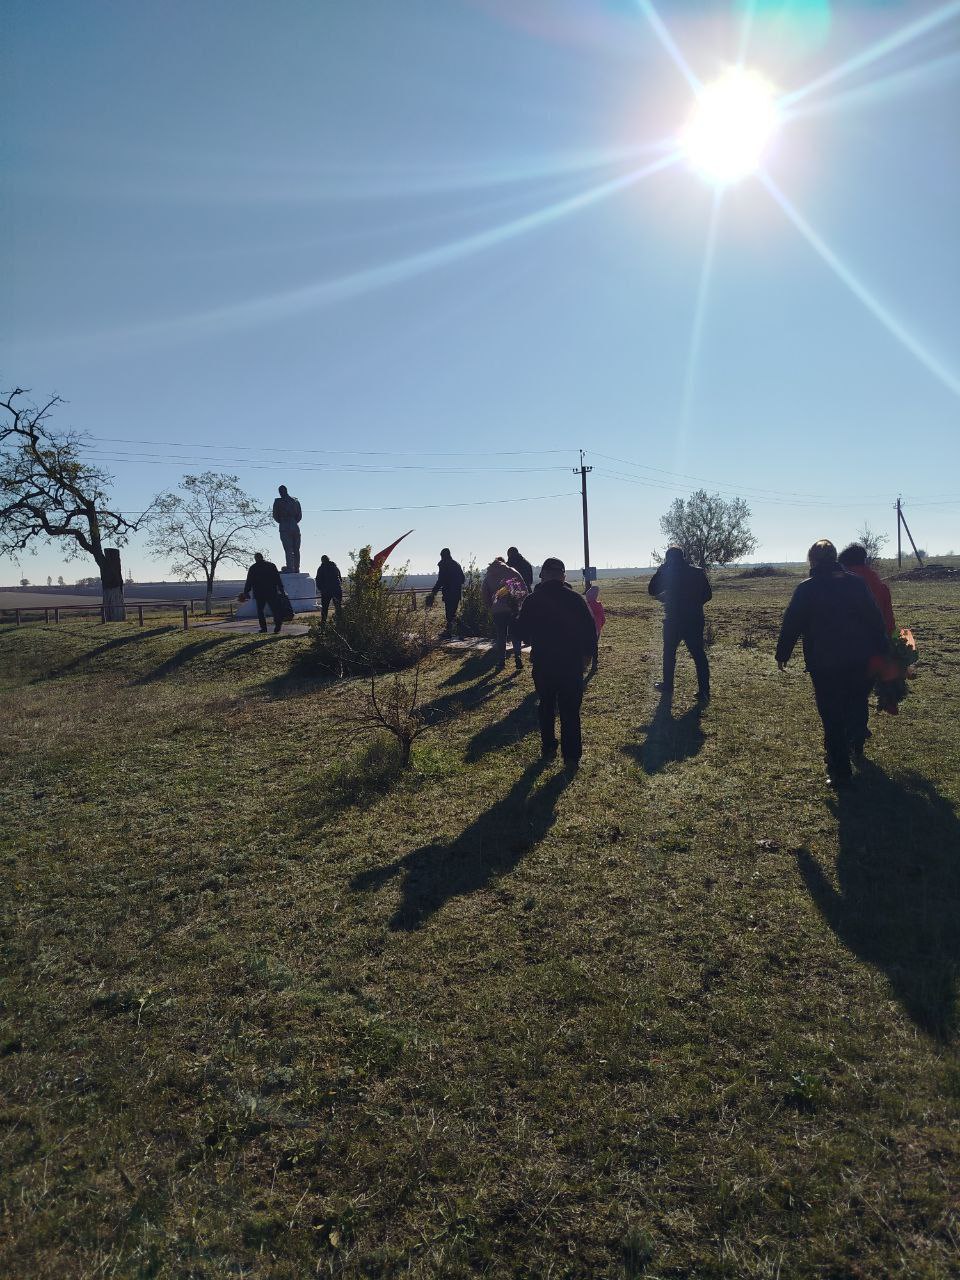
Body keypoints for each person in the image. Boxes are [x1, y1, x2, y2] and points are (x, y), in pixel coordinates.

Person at [775, 539, 890, 788]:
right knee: (855, 703)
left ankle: (840, 770)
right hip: (858, 658)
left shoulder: (807, 588)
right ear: (835, 558)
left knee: (831, 716)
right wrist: (883, 648)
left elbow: (791, 623)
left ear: (812, 560)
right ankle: (855, 743)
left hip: (824, 662)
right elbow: (874, 619)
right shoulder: (857, 584)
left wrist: (782, 653)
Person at [515, 558, 597, 769]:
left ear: (542, 576)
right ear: (563, 576)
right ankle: (571, 756)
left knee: (546, 706)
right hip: (571, 664)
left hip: (543, 663)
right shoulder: (576, 599)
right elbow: (590, 632)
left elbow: (521, 634)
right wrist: (587, 658)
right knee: (570, 710)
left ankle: (549, 747)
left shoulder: (532, 600)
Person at [648, 546, 712, 703]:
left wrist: (660, 571)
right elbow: (708, 595)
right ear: (683, 556)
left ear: (668, 558)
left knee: (669, 653)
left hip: (673, 619)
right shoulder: (697, 572)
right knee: (698, 655)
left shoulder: (668, 574)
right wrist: (694, 605)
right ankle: (704, 690)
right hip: (694, 619)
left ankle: (668, 685)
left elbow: (652, 590)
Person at [482, 557, 528, 671]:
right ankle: (518, 658)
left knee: (501, 635)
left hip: (497, 610)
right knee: (515, 634)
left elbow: (484, 593)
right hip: (512, 609)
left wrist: (491, 607)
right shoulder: (511, 571)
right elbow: (523, 589)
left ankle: (501, 661)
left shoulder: (489, 575)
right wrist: (518, 602)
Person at [837, 543, 895, 634]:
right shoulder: (880, 586)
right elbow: (889, 622)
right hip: (878, 641)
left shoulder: (842, 586)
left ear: (845, 565)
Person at [242, 552, 284, 634]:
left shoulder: (253, 568)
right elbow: (277, 578)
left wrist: (246, 591)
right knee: (275, 610)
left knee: (260, 611)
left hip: (259, 593)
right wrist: (281, 589)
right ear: (262, 557)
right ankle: (278, 626)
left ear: (256, 558)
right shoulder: (271, 565)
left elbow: (249, 581)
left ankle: (263, 628)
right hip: (271, 592)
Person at [429, 548, 465, 639]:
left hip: (449, 593)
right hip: (456, 593)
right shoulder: (456, 564)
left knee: (450, 615)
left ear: (442, 555)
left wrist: (433, 592)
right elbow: (463, 579)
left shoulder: (444, 564)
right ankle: (460, 630)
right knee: (452, 614)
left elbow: (441, 580)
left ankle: (458, 630)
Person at [272, 484, 302, 574]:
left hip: (285, 526)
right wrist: (293, 521)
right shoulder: (295, 501)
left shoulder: (278, 502)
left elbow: (275, 516)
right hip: (294, 526)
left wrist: (283, 521)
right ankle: (296, 568)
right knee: (296, 549)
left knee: (289, 549)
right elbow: (299, 516)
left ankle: (290, 568)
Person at [315, 554, 343, 624]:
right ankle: (339, 622)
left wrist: (321, 589)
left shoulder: (321, 568)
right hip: (336, 590)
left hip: (326, 591)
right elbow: (340, 578)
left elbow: (318, 580)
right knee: (338, 607)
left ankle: (323, 622)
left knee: (325, 608)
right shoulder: (335, 567)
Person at [585, 584, 606, 674]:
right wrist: (600, 626)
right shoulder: (599, 605)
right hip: (597, 629)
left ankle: (586, 663)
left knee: (587, 646)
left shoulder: (585, 606)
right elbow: (603, 619)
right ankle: (594, 663)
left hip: (587, 630)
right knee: (595, 646)